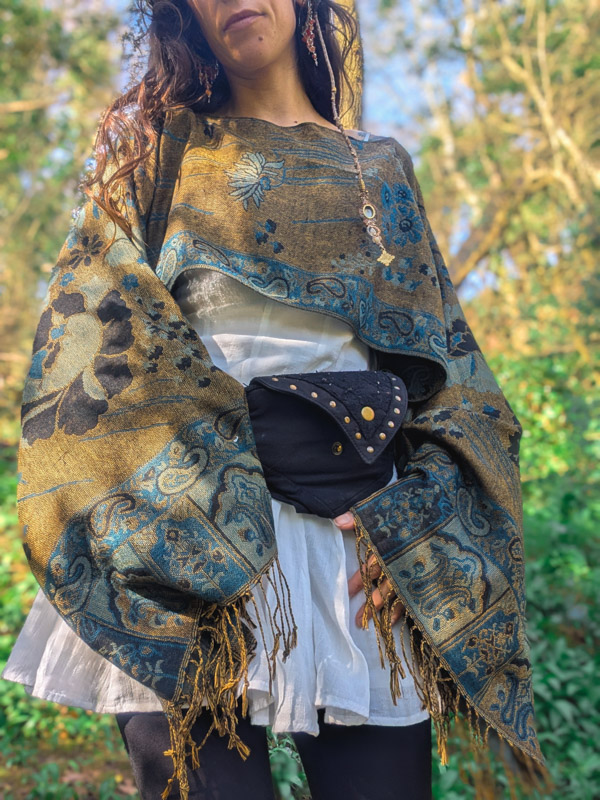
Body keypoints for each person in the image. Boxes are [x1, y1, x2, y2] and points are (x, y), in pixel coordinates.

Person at [2, 1, 546, 799]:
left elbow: (457, 386)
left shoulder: (379, 167)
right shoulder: (157, 154)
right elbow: (88, 349)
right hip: (183, 542)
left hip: (353, 556)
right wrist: (201, 482)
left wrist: (416, 517)